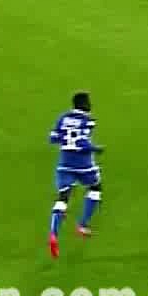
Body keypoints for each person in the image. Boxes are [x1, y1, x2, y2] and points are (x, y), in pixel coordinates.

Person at [46, 91, 105, 259]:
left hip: (64, 163)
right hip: (83, 164)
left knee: (63, 197)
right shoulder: (88, 121)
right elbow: (82, 142)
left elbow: (53, 138)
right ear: (85, 104)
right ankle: (82, 225)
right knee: (95, 188)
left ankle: (53, 233)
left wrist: (65, 139)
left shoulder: (63, 118)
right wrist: (95, 148)